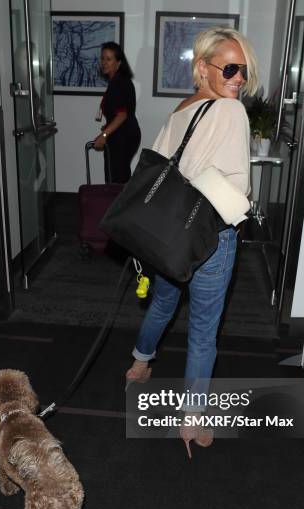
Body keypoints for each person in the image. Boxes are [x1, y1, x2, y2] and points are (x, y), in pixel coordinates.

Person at [124, 27, 258, 457]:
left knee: (163, 302)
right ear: (203, 68)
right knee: (203, 332)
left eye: (244, 71)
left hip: (168, 236)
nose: (238, 78)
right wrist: (244, 215)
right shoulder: (232, 113)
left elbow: (151, 172)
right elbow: (237, 189)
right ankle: (193, 420)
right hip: (210, 238)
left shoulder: (180, 110)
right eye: (230, 68)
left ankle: (140, 363)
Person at [93, 42, 141, 183]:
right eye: (102, 58)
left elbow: (122, 115)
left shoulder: (118, 83)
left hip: (122, 137)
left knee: (116, 179)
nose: (104, 63)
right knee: (120, 176)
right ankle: (120, 204)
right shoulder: (121, 81)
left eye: (109, 59)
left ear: (118, 62)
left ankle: (116, 204)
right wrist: (107, 129)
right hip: (125, 134)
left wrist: (104, 135)